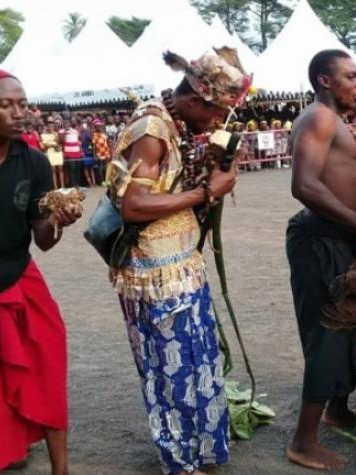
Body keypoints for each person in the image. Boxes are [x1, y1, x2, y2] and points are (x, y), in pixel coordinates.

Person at [105, 47, 246, 475]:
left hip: (181, 264)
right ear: (198, 100)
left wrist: (207, 172)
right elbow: (134, 204)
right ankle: (181, 458)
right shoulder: (152, 127)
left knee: (196, 359)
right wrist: (207, 192)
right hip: (155, 273)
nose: (218, 123)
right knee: (172, 368)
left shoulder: (173, 123)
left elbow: (164, 186)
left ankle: (202, 449)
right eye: (218, 113)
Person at [0, 60, 81, 475]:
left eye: (23, 104)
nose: (19, 113)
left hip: (19, 282)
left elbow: (43, 240)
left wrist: (57, 221)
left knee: (47, 371)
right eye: (6, 105)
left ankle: (61, 470)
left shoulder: (33, 163)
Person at [286, 49, 356, 471]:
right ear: (325, 81)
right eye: (351, 76)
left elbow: (335, 183)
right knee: (330, 332)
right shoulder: (319, 118)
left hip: (340, 236)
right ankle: (302, 441)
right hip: (320, 240)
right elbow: (304, 186)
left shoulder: (333, 121)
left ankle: (337, 408)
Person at [41, 118, 64, 189]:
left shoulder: (56, 133)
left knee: (60, 169)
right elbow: (44, 144)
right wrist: (52, 145)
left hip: (57, 152)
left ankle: (62, 186)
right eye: (49, 126)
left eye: (52, 126)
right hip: (50, 152)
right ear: (47, 127)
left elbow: (59, 142)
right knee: (53, 170)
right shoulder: (43, 134)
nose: (50, 127)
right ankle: (55, 186)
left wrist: (56, 136)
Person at [61, 117, 83, 187]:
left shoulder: (75, 131)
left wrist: (81, 150)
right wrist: (65, 132)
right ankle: (72, 185)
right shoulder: (61, 131)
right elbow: (61, 141)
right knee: (71, 169)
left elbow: (79, 140)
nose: (66, 124)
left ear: (70, 124)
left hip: (77, 153)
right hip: (68, 154)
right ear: (62, 124)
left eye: (67, 123)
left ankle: (77, 184)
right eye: (64, 123)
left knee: (77, 169)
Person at [91, 118, 111, 185]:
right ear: (96, 127)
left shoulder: (104, 134)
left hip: (106, 152)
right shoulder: (94, 135)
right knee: (100, 168)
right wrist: (94, 155)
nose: (99, 127)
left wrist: (109, 151)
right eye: (98, 126)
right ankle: (102, 181)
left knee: (106, 167)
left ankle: (107, 180)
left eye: (100, 126)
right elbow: (93, 146)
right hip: (99, 153)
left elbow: (107, 143)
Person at [80, 119, 96, 187]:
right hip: (85, 152)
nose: (84, 125)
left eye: (85, 124)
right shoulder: (83, 133)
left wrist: (91, 132)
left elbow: (92, 141)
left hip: (90, 152)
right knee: (86, 168)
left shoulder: (89, 132)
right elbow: (82, 142)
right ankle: (89, 183)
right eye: (83, 124)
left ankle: (94, 182)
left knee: (91, 168)